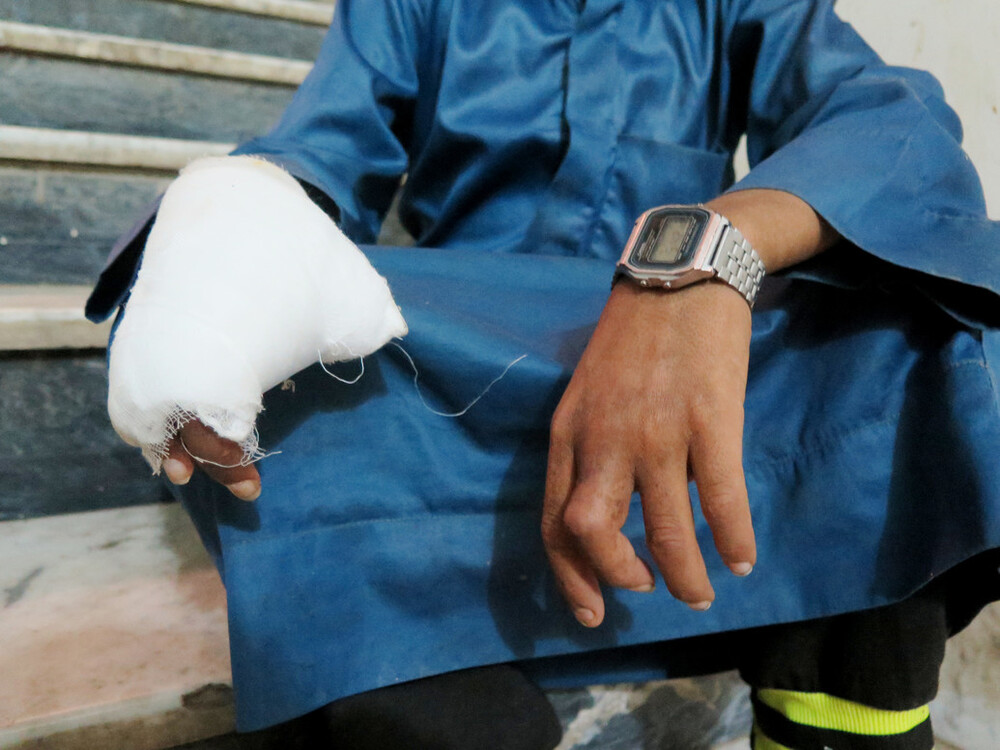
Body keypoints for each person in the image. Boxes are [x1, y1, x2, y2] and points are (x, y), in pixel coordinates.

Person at [86, 0, 1000, 747]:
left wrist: (703, 256)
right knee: (220, 283)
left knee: (926, 320)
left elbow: (888, 122)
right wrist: (228, 226)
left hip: (684, 387)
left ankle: (834, 718)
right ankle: (419, 694)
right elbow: (319, 154)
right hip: (459, 383)